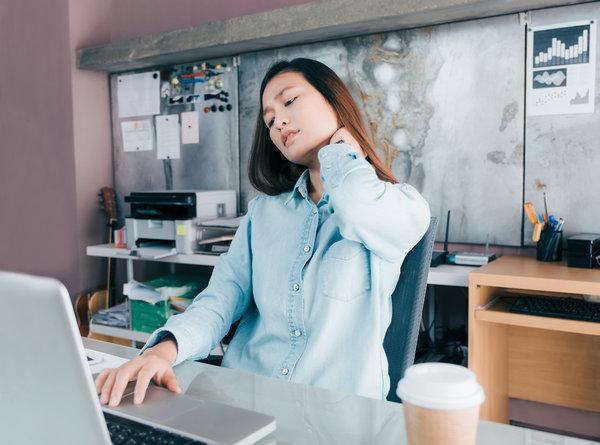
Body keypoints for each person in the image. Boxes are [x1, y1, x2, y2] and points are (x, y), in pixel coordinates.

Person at [95, 58, 430, 407]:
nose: (278, 121)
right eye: (269, 119)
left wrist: (342, 151)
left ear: (335, 101)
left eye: (289, 102)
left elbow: (360, 207)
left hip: (336, 416)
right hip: (244, 400)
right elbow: (221, 298)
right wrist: (163, 351)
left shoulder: (400, 205)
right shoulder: (263, 213)